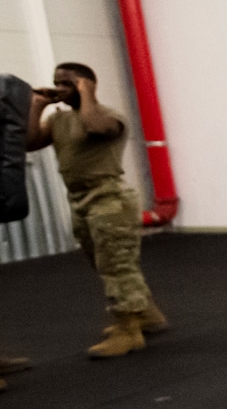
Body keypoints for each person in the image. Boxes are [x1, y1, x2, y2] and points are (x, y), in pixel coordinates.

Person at [25, 63, 166, 358]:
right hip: (80, 200)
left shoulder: (108, 116)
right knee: (108, 263)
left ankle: (130, 331)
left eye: (66, 83)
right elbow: (29, 142)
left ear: (84, 84)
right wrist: (37, 106)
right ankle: (147, 314)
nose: (59, 89)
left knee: (117, 265)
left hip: (109, 199)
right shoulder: (59, 120)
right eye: (56, 83)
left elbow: (95, 128)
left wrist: (86, 93)